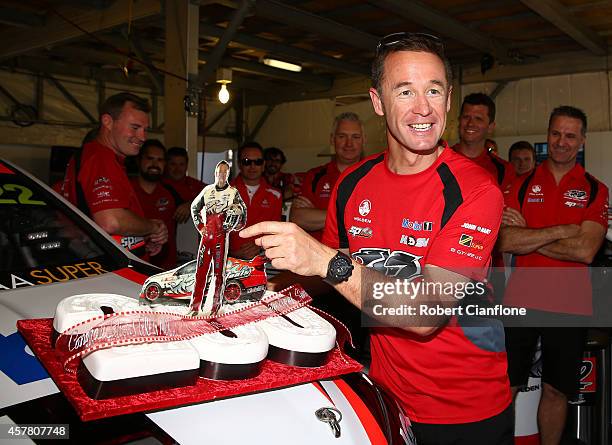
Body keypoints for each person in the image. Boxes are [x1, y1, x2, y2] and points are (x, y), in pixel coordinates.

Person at [241, 33, 512, 444]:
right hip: (383, 397)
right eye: (405, 91)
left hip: (464, 412)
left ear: (449, 99)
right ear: (378, 101)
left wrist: (324, 260)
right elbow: (331, 277)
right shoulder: (352, 186)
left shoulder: (475, 191)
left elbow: (425, 314)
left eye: (433, 91)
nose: (423, 108)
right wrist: (252, 284)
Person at [499, 106, 608, 445]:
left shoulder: (595, 190)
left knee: (556, 390)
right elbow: (504, 240)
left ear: (582, 141)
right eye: (556, 134)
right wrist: (560, 230)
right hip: (520, 302)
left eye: (570, 135)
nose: (562, 142)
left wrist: (530, 237)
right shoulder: (520, 184)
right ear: (547, 135)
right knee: (506, 388)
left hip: (569, 306)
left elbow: (585, 251)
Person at [60, 92, 168, 258]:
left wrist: (142, 239)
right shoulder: (100, 157)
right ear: (107, 122)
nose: (142, 137)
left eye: (145, 130)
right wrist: (152, 227)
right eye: (135, 128)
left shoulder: (102, 158)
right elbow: (111, 221)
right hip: (111, 272)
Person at [290, 112, 365, 241]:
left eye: (355, 137)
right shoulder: (315, 176)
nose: (349, 143)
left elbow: (379, 220)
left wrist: (319, 215)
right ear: (332, 139)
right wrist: (355, 218)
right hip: (319, 257)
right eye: (342, 136)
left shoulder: (375, 176)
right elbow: (298, 217)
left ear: (364, 140)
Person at [190, 161, 246, 315]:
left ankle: (215, 308)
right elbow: (194, 207)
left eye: (224, 172)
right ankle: (194, 308)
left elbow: (243, 216)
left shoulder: (233, 192)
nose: (221, 175)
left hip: (221, 240)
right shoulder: (207, 191)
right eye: (218, 172)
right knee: (200, 273)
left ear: (228, 174)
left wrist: (236, 224)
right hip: (206, 239)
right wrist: (200, 227)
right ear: (215, 173)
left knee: (218, 275)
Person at [131, 140, 182, 270]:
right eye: (150, 159)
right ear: (139, 160)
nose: (154, 164)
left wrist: (189, 204)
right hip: (134, 266)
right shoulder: (126, 189)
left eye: (160, 160)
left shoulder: (171, 191)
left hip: (167, 268)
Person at [229, 142, 282, 260]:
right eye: (247, 162)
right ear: (239, 164)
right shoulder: (224, 194)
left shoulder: (275, 195)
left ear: (263, 165)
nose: (252, 166)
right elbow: (214, 232)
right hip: (228, 262)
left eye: (257, 162)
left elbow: (276, 233)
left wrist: (259, 247)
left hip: (263, 261)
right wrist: (230, 252)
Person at [453, 93, 515, 192]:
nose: (470, 123)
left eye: (478, 119)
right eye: (466, 117)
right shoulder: (440, 160)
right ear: (459, 121)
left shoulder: (503, 170)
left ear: (490, 127)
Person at [163, 146, 206, 223]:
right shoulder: (158, 185)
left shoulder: (193, 184)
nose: (177, 169)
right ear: (166, 164)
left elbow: (217, 194)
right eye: (173, 164)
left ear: (186, 165)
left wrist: (191, 204)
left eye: (181, 164)